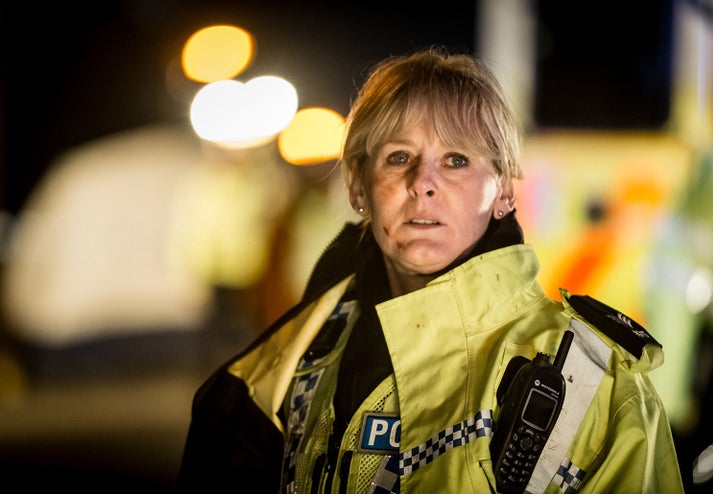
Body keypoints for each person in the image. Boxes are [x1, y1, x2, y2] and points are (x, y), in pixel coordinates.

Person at [177, 46, 684, 493]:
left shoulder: (600, 388)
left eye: (457, 160)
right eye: (399, 157)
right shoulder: (301, 359)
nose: (423, 182)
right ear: (358, 188)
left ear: (505, 191)